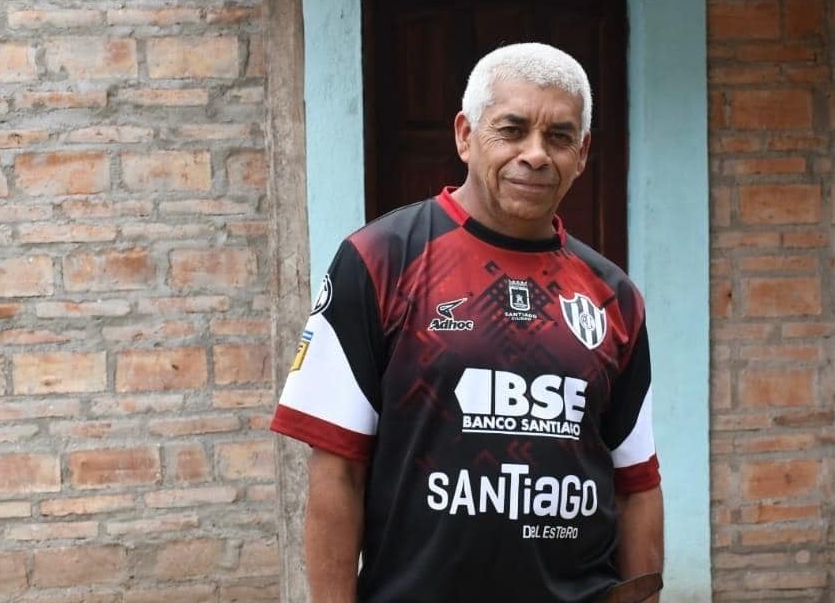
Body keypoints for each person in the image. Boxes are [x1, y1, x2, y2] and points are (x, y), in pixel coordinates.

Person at [271, 42, 663, 603]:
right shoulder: (379, 261)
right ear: (465, 135)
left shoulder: (613, 296)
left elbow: (636, 485)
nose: (536, 154)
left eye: (559, 137)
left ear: (581, 154)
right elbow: (338, 472)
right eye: (512, 130)